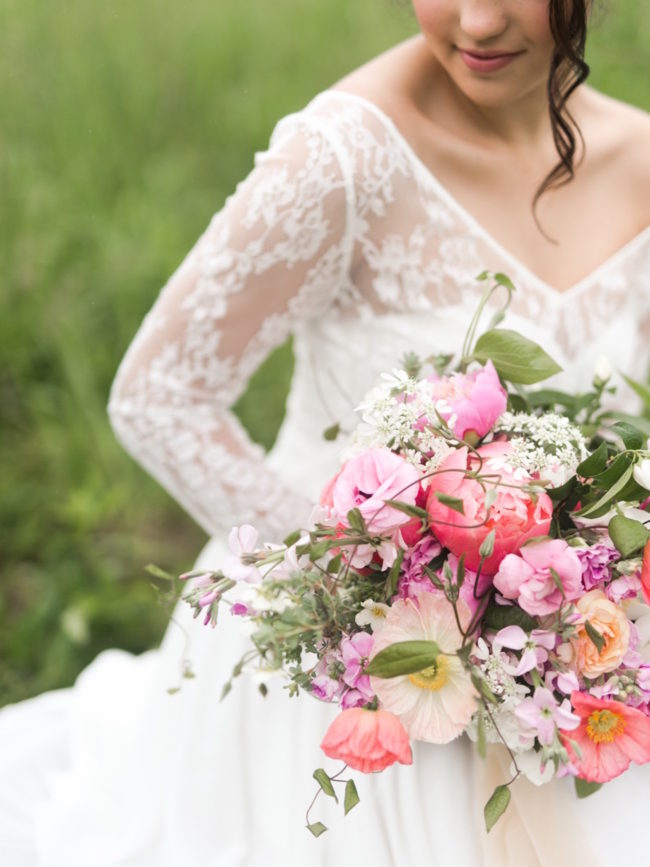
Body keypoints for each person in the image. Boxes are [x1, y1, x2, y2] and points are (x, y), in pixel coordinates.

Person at [1, 2, 649, 865]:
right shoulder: (347, 155)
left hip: (576, 668)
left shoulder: (641, 160)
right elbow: (160, 394)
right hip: (336, 684)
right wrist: (365, 598)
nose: (477, 20)